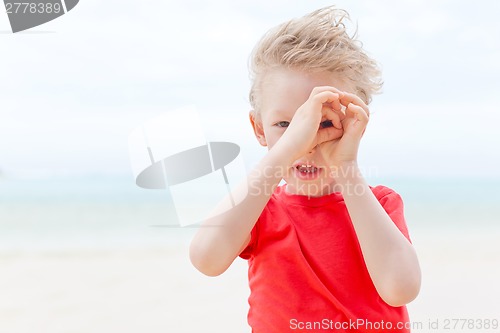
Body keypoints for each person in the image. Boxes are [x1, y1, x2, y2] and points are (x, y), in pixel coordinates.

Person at [190, 6, 421, 332]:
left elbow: (401, 288)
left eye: (325, 123)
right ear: (259, 129)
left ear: (355, 122)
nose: (307, 144)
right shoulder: (259, 209)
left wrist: (346, 166)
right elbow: (206, 258)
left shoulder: (380, 204)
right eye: (285, 124)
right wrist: (284, 151)